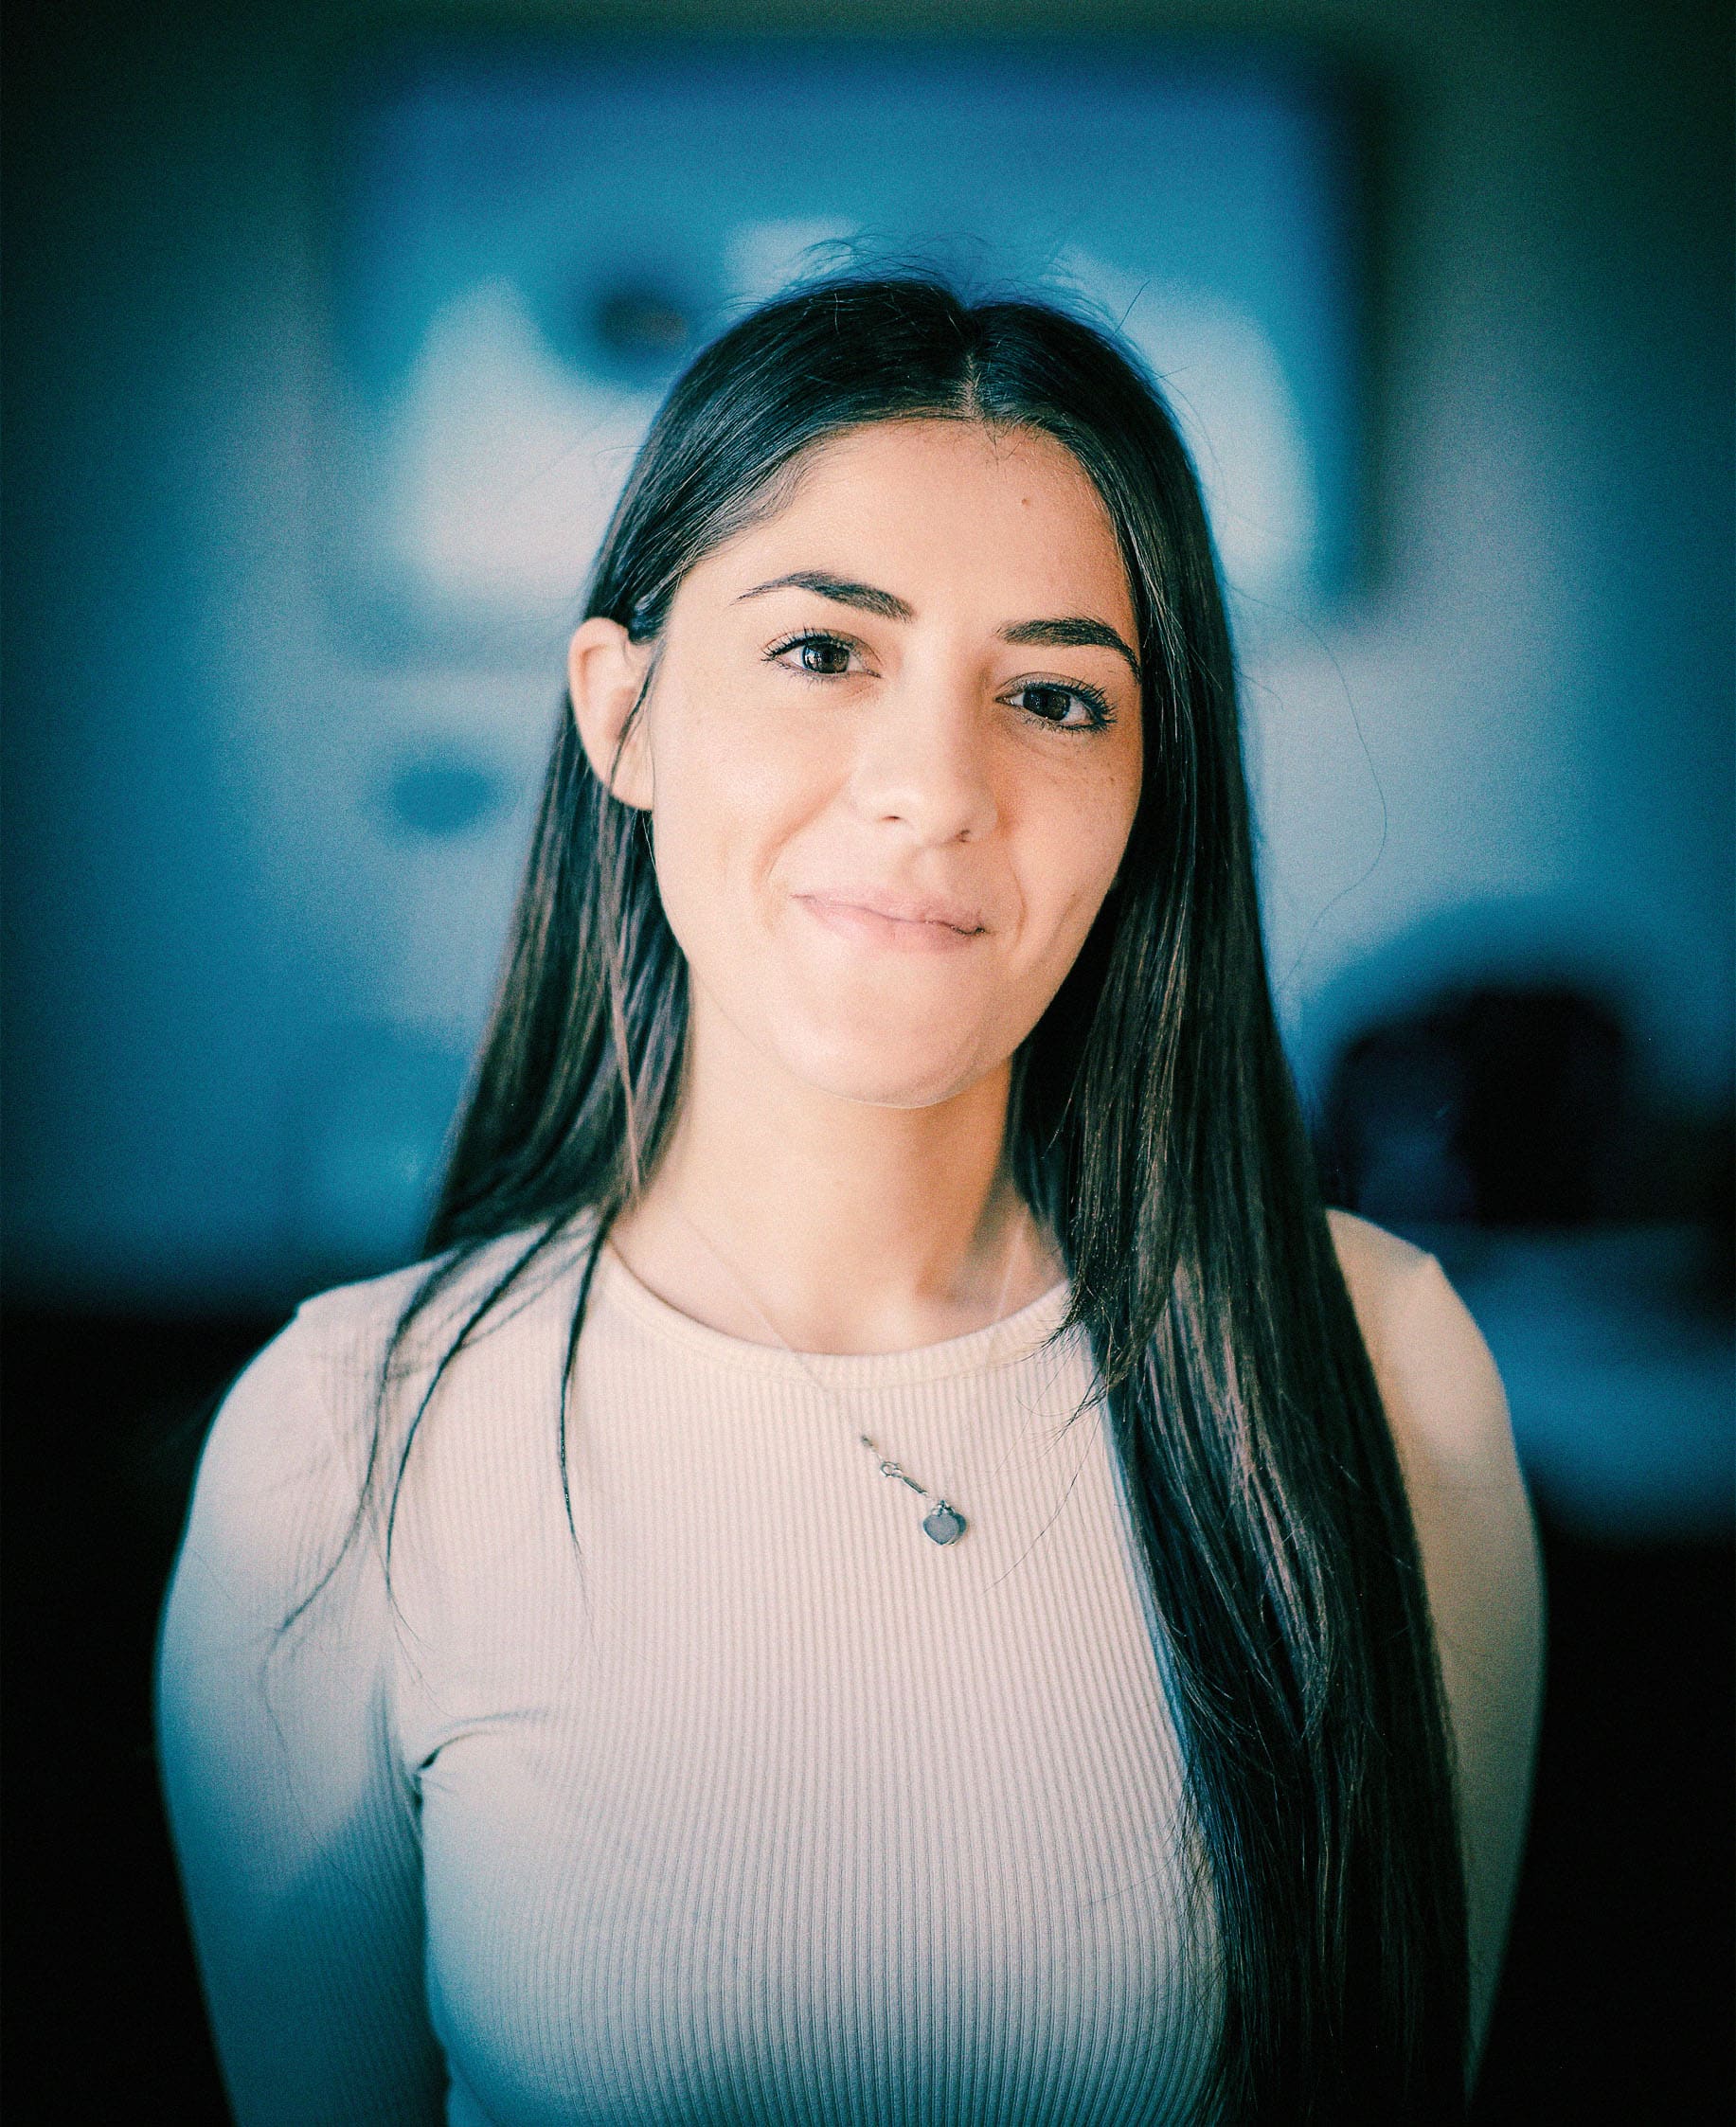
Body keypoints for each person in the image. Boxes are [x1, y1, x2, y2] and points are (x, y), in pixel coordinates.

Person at [155, 276, 1543, 2126]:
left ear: (1149, 790)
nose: (931, 791)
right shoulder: (342, 1446)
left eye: (1052, 695)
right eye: (823, 650)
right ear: (622, 712)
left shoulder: (1376, 1365)